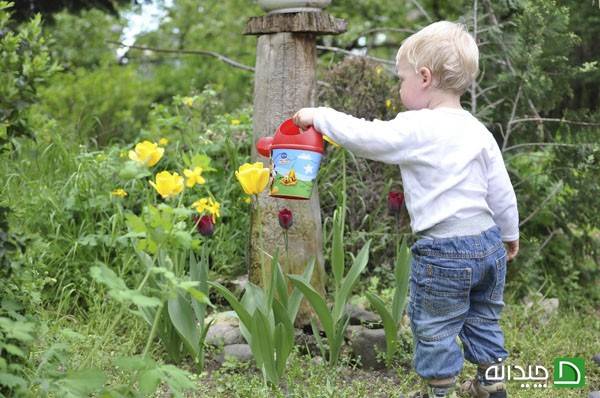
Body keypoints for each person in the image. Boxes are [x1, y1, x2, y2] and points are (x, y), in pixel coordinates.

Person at [293, 20, 518, 398]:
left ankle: (439, 392)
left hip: (444, 251)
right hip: (488, 243)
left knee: (436, 325)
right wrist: (509, 234)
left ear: (425, 78)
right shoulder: (478, 130)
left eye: (402, 79)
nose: (400, 88)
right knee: (483, 318)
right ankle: (490, 382)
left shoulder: (417, 126)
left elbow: (366, 137)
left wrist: (319, 116)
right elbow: (502, 191)